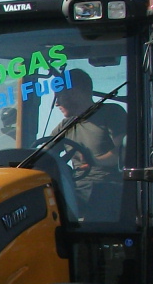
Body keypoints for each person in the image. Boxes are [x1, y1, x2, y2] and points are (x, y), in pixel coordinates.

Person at [50, 68, 127, 219]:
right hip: (76, 188)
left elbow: (124, 151)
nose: (57, 103)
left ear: (77, 92)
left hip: (106, 185)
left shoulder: (111, 113)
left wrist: (94, 160)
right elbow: (44, 153)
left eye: (60, 96)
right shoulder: (64, 125)